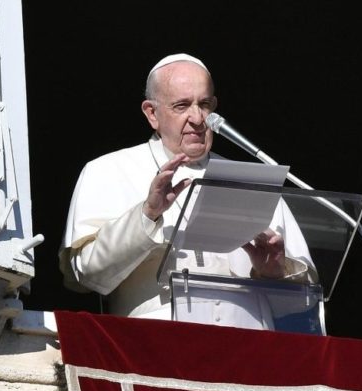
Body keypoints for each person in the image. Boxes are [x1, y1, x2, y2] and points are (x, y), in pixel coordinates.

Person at [59, 53, 315, 330]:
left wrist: (276, 272)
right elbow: (85, 274)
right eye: (181, 106)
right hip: (155, 344)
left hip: (248, 349)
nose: (197, 118)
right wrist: (148, 214)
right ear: (152, 113)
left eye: (204, 105)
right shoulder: (108, 170)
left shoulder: (252, 179)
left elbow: (305, 302)